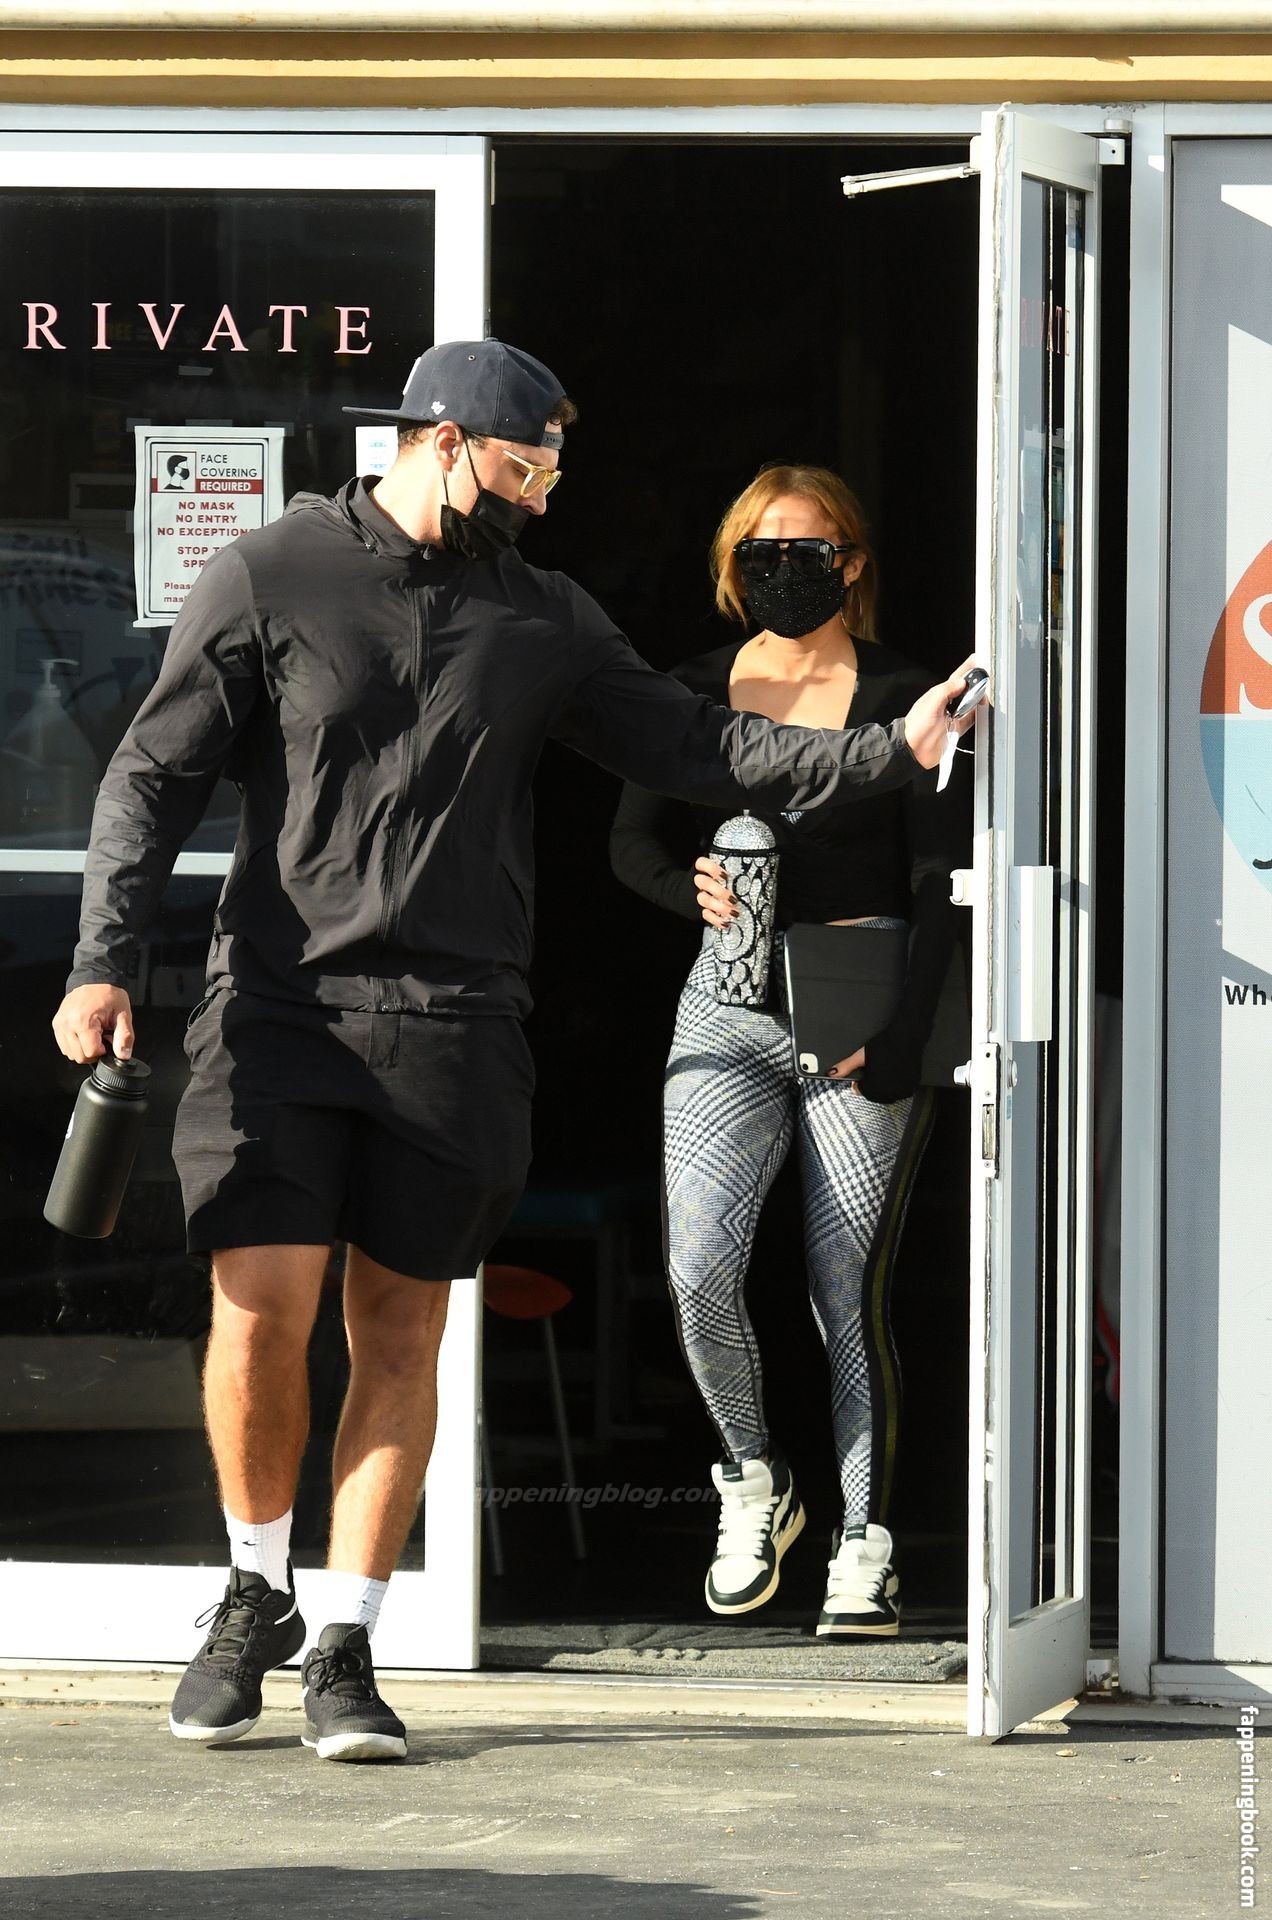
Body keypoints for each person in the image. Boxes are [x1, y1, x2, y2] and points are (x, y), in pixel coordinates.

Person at [51, 341, 976, 1764]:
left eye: (552, 469)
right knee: (260, 1308)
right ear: (443, 441)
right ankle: (253, 1591)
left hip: (455, 1024)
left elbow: (699, 747)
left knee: (400, 1330)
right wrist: (103, 956)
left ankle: (346, 1643)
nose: (544, 495)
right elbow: (151, 774)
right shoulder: (272, 571)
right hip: (281, 1012)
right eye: (527, 466)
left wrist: (883, 752)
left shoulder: (542, 614)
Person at [610, 462, 969, 1640]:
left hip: (860, 1003)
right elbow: (631, 844)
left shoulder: (908, 696)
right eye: (758, 552)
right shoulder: (689, 690)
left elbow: (941, 881)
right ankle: (752, 1481)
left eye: (805, 550)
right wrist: (690, 889)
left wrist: (908, 1035)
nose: (780, 570)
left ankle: (866, 1542)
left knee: (844, 1288)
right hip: (726, 1003)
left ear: (851, 562)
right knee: (698, 1267)